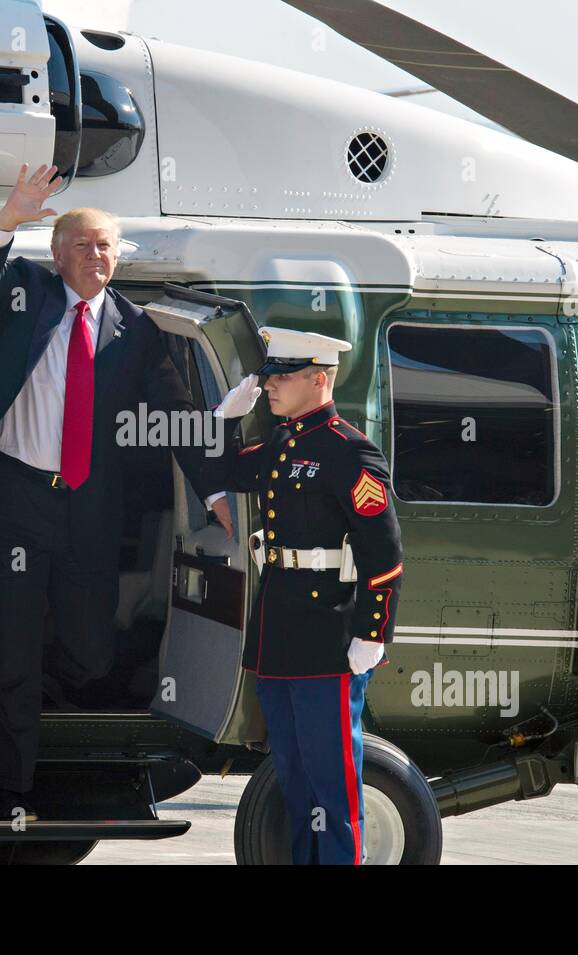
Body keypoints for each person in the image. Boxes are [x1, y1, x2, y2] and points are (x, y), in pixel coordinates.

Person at [0, 163, 230, 820]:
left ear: (118, 259)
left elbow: (178, 415)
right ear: (57, 255)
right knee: (22, 654)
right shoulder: (28, 291)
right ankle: (14, 790)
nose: (94, 255)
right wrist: (10, 216)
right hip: (15, 501)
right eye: (80, 244)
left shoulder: (137, 330)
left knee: (91, 649)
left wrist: (218, 491)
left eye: (104, 245)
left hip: (87, 507)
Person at [210, 327, 404, 865]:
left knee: (332, 783)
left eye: (283, 376)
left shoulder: (350, 452)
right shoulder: (283, 442)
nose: (270, 386)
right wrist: (227, 421)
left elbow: (383, 553)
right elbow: (225, 472)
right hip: (281, 634)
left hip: (327, 635)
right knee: (294, 779)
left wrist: (372, 633)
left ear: (320, 379)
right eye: (269, 375)